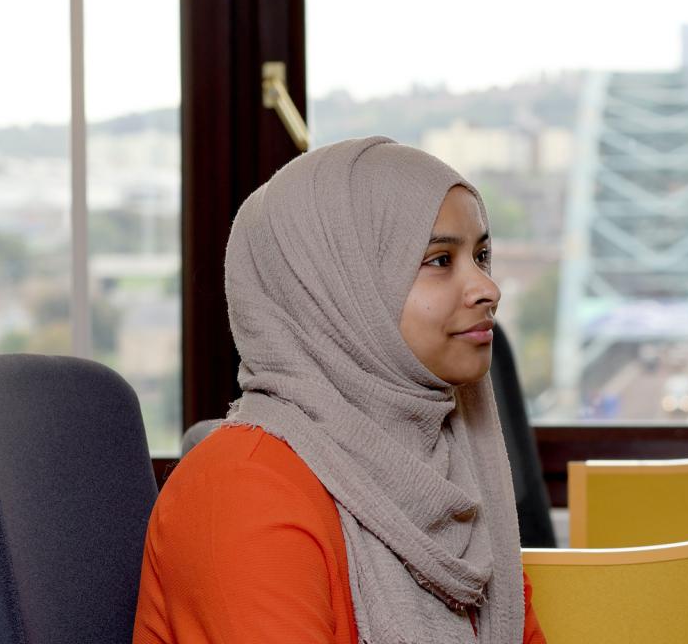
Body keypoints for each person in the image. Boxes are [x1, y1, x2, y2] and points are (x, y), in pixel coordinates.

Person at [133, 137, 547, 643]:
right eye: (441, 260)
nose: (488, 288)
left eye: (481, 256)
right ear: (339, 291)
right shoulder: (242, 488)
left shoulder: (451, 471)